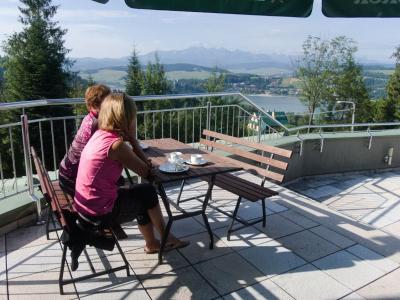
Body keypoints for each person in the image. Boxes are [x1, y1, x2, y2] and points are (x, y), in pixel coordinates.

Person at [74, 92, 188, 254]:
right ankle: (166, 239)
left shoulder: (100, 135)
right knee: (147, 193)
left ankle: (153, 243)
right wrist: (133, 140)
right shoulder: (117, 146)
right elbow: (147, 172)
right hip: (99, 214)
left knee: (142, 193)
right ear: (125, 118)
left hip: (86, 207)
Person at [59, 84, 111, 197]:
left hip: (65, 173)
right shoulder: (98, 123)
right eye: (109, 101)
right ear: (101, 103)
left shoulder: (89, 118)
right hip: (72, 179)